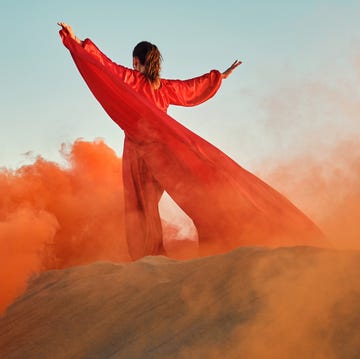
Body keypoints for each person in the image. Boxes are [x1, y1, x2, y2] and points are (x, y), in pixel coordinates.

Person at [58, 23, 326, 260]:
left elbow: (104, 66)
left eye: (134, 62)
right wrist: (219, 77)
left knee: (142, 205)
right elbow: (190, 89)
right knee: (181, 195)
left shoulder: (133, 79)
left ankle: (149, 254)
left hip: (141, 150)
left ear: (138, 61)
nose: (132, 66)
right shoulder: (164, 87)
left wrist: (76, 41)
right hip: (165, 152)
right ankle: (168, 250)